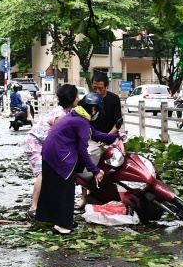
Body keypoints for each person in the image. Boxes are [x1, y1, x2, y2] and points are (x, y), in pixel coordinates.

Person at [36, 93, 120, 234]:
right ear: (93, 109)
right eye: (97, 110)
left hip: (51, 153)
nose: (97, 114)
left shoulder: (77, 116)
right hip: (59, 156)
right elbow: (82, 150)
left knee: (57, 189)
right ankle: (61, 226)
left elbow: (95, 134)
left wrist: (117, 136)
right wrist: (95, 170)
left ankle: (62, 220)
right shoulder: (80, 121)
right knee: (66, 190)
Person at [22, 84, 80, 220]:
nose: (78, 99)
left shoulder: (63, 112)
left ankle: (46, 205)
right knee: (43, 173)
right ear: (71, 99)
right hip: (34, 143)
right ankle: (34, 207)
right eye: (77, 96)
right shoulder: (61, 116)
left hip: (42, 145)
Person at [84, 71, 124, 207]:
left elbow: (118, 121)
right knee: (86, 162)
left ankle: (117, 194)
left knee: (118, 163)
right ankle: (84, 196)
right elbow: (84, 122)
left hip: (110, 136)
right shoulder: (88, 100)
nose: (97, 91)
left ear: (106, 86)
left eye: (100, 88)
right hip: (92, 138)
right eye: (94, 88)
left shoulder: (114, 99)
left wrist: (107, 137)